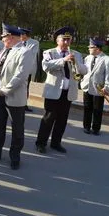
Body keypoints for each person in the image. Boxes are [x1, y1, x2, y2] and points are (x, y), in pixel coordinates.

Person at [0, 24, 33, 170]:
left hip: (13, 95)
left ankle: (15, 157)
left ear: (10, 37)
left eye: (4, 37)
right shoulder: (4, 50)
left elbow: (21, 76)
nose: (2, 39)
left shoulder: (24, 52)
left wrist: (5, 90)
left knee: (17, 129)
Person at [35, 26, 87, 154]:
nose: (66, 43)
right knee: (48, 118)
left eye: (69, 40)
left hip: (68, 91)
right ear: (57, 40)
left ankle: (56, 143)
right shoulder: (49, 52)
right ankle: (41, 143)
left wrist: (76, 62)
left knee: (62, 119)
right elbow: (46, 66)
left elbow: (84, 71)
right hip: (53, 91)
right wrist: (63, 60)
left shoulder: (77, 54)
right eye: (64, 40)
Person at [80, 38, 109, 135]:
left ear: (97, 48)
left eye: (90, 47)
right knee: (87, 107)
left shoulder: (107, 59)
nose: (88, 49)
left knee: (97, 109)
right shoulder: (88, 58)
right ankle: (86, 126)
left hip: (99, 88)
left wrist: (107, 86)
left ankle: (96, 128)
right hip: (87, 86)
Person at [19, 27, 40, 112]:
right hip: (18, 68)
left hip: (28, 69)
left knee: (26, 87)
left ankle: (24, 104)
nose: (20, 36)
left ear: (25, 35)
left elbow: (32, 54)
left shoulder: (34, 43)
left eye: (21, 34)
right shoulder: (19, 42)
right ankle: (18, 103)